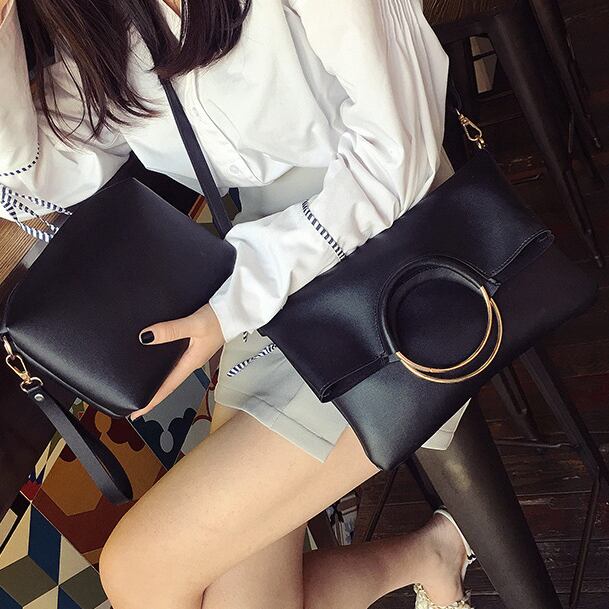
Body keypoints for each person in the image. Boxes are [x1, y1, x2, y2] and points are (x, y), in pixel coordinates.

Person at [0, 0, 477, 607]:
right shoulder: (104, 19)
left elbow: (395, 157)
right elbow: (46, 177)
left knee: (140, 572)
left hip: (406, 246)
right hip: (269, 268)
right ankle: (429, 554)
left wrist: (231, 306)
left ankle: (427, 555)